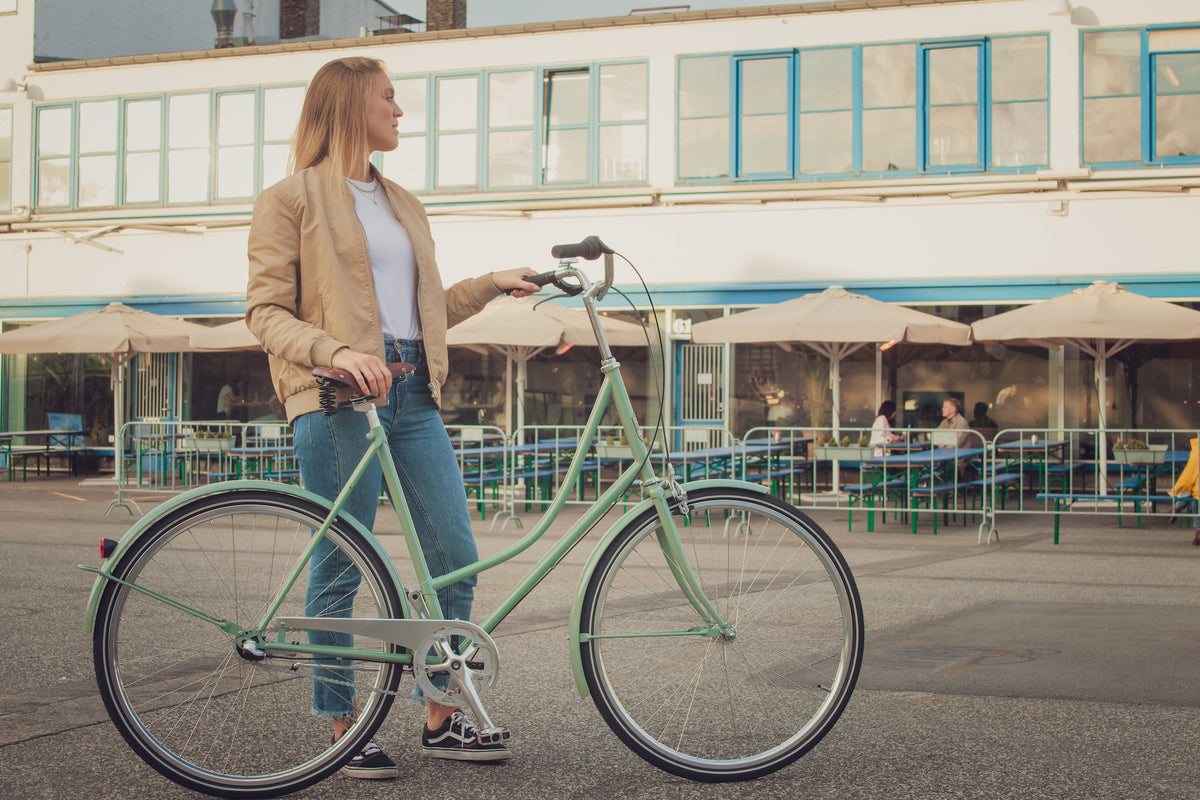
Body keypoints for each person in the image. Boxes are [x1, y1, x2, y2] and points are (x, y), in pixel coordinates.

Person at [246, 56, 541, 777]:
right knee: (344, 559)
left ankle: (439, 715)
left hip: (413, 394)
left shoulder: (403, 201)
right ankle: (345, 725)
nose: (399, 111)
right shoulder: (291, 198)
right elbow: (263, 312)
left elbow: (424, 307)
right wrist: (335, 350)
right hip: (336, 392)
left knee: (455, 556)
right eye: (389, 98)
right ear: (351, 105)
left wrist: (491, 284)